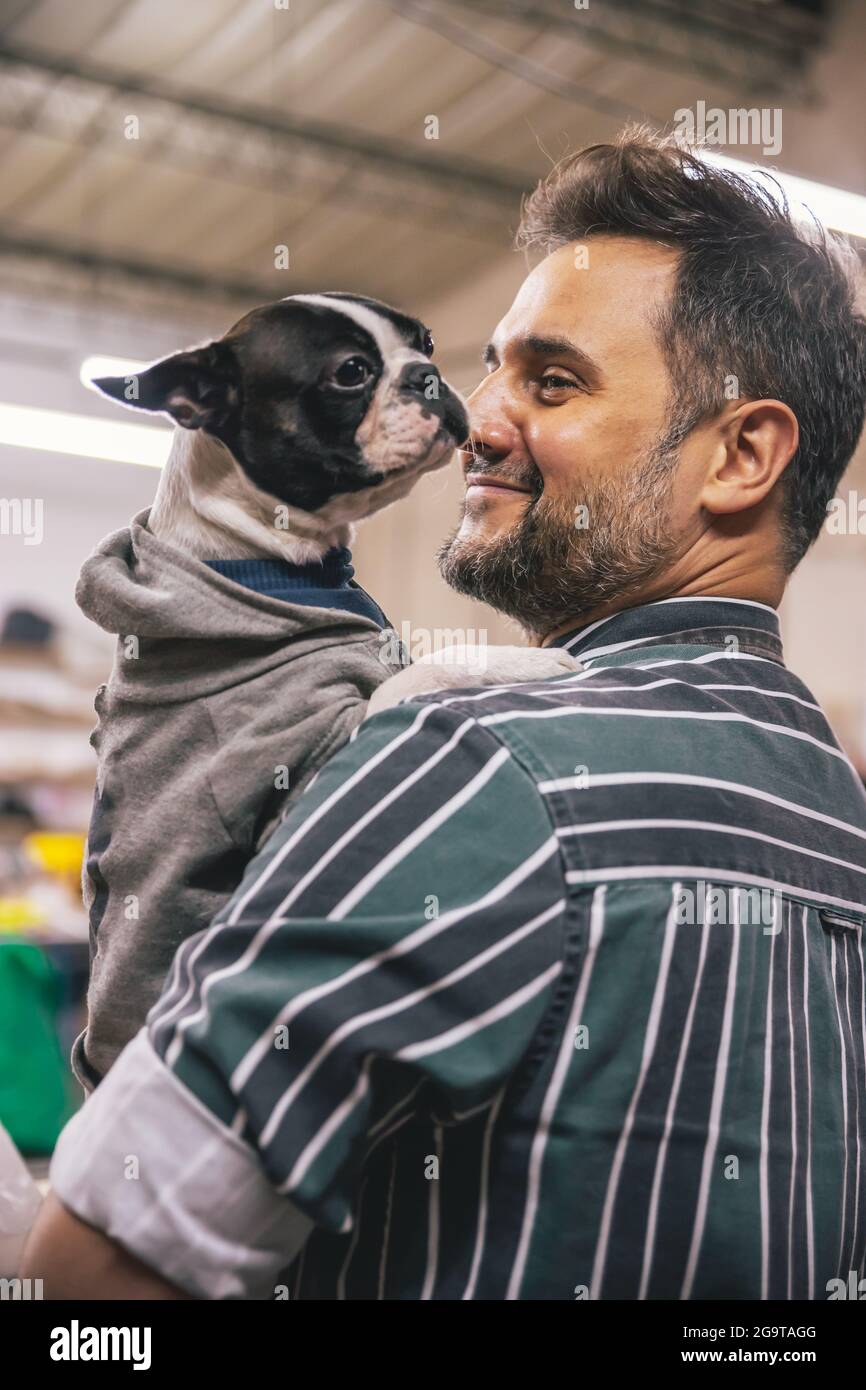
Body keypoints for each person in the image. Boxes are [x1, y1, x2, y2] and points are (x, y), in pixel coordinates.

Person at [24, 127, 866, 1300]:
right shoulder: (835, 810)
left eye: (552, 380)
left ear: (739, 456)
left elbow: (100, 1275)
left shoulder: (472, 760)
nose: (481, 418)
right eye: (492, 368)